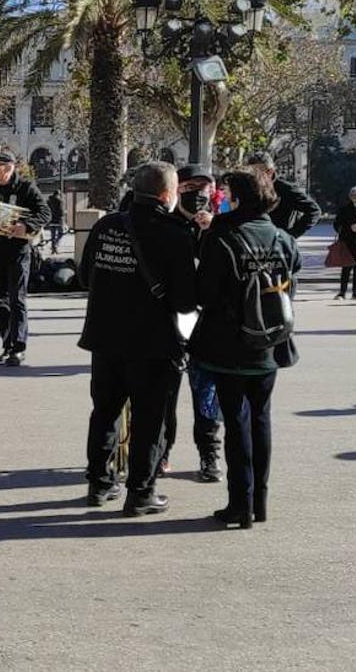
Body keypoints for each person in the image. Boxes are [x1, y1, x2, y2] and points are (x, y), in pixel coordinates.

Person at [79, 161, 196, 516]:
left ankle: (99, 484)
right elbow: (186, 301)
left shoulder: (106, 225)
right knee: (149, 419)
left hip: (105, 337)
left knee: (104, 412)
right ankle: (141, 492)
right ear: (166, 195)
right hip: (152, 343)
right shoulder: (175, 233)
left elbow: (85, 276)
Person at [192, 169, 301, 528]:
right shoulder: (282, 237)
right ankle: (260, 503)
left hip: (229, 345)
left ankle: (240, 504)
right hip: (270, 343)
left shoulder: (223, 235)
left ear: (236, 198)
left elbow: (204, 293)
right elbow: (292, 275)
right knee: (261, 419)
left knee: (236, 424)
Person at [156, 165, 224, 483]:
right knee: (165, 396)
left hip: (208, 327)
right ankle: (161, 452)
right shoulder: (165, 226)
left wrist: (211, 233)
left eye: (205, 188)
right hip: (169, 325)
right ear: (177, 190)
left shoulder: (221, 229)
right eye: (190, 188)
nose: (198, 195)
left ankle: (209, 455)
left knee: (207, 397)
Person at [0, 152, 51, 365]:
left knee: (17, 299)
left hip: (18, 251)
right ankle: (7, 343)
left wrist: (26, 226)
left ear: (9, 167)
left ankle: (19, 347)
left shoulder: (26, 188)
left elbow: (45, 212)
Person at [245, 153, 321, 239]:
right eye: (251, 173)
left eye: (258, 172)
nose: (254, 177)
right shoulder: (248, 189)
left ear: (270, 172)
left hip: (278, 245)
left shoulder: (285, 189)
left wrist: (290, 236)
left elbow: (314, 210)